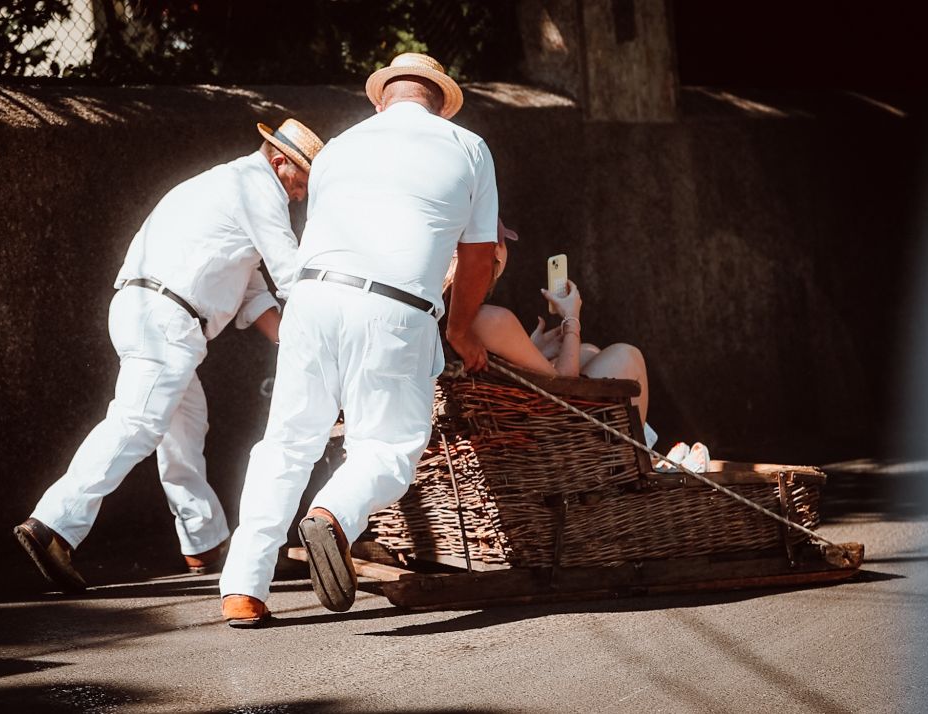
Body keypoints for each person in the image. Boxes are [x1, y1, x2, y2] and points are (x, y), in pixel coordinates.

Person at [218, 52, 498, 627]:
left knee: (287, 444)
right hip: (395, 309)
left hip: (312, 299)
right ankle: (335, 515)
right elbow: (477, 257)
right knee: (389, 446)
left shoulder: (338, 149)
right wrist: (460, 328)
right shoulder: (468, 147)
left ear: (381, 99)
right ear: (440, 100)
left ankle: (243, 588)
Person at [14, 118, 325, 593]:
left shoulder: (223, 185)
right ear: (279, 161)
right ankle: (53, 524)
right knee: (136, 424)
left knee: (185, 425)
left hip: (147, 310)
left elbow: (253, 290)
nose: (303, 194)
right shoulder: (256, 188)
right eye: (303, 179)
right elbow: (289, 272)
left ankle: (203, 540)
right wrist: (328, 332)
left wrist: (292, 342)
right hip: (170, 320)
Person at [443, 219, 653, 430]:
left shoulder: (439, 316)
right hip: (540, 437)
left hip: (501, 426)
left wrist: (534, 350)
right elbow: (565, 387)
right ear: (496, 251)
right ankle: (634, 457)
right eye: (504, 242)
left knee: (588, 353)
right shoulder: (492, 319)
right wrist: (572, 318)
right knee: (627, 355)